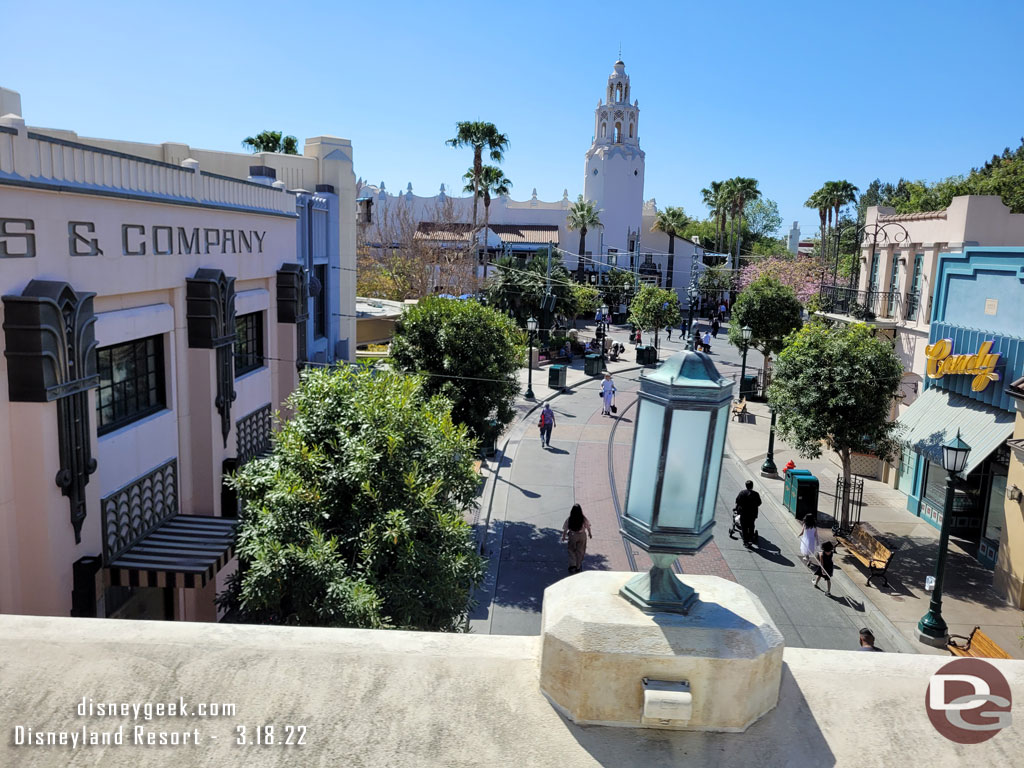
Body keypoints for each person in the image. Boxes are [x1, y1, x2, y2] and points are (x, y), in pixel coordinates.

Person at [560, 503, 593, 574]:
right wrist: (590, 533)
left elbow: (565, 528)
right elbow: (588, 526)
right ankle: (578, 566)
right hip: (582, 535)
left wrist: (563, 536)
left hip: (573, 535)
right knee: (580, 551)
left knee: (571, 550)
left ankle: (573, 564)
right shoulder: (583, 518)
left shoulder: (570, 518)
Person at [734, 480, 761, 549]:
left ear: (746, 486)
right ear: (752, 486)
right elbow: (759, 503)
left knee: (744, 526)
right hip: (753, 513)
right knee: (751, 525)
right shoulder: (756, 494)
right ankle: (751, 538)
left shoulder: (742, 493)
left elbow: (737, 501)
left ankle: (745, 541)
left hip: (744, 513)